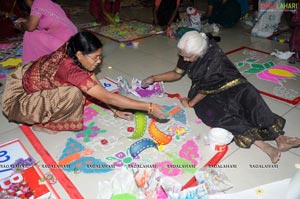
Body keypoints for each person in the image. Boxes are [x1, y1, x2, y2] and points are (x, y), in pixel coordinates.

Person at [142, 31, 300, 164]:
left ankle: (280, 138)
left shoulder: (213, 59)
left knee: (249, 96)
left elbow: (209, 87)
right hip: (203, 91)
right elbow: (177, 73)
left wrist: (190, 103)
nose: (184, 59)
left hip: (224, 86)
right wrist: (154, 78)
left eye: (188, 57)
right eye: (182, 55)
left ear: (200, 53)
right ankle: (263, 145)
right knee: (219, 115)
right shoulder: (189, 51)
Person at [1, 31, 168, 134]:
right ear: (80, 55)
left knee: (85, 87)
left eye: (100, 57)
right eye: (95, 58)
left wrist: (115, 110)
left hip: (31, 79)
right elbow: (107, 97)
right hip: (22, 101)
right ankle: (43, 123)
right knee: (74, 93)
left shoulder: (72, 47)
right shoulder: (71, 69)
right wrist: (149, 107)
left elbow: (98, 87)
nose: (99, 62)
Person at [15, 0, 77, 65]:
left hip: (65, 44)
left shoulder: (37, 3)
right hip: (73, 39)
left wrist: (21, 25)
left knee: (29, 34)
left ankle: (32, 64)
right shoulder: (47, 1)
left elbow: (31, 27)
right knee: (39, 33)